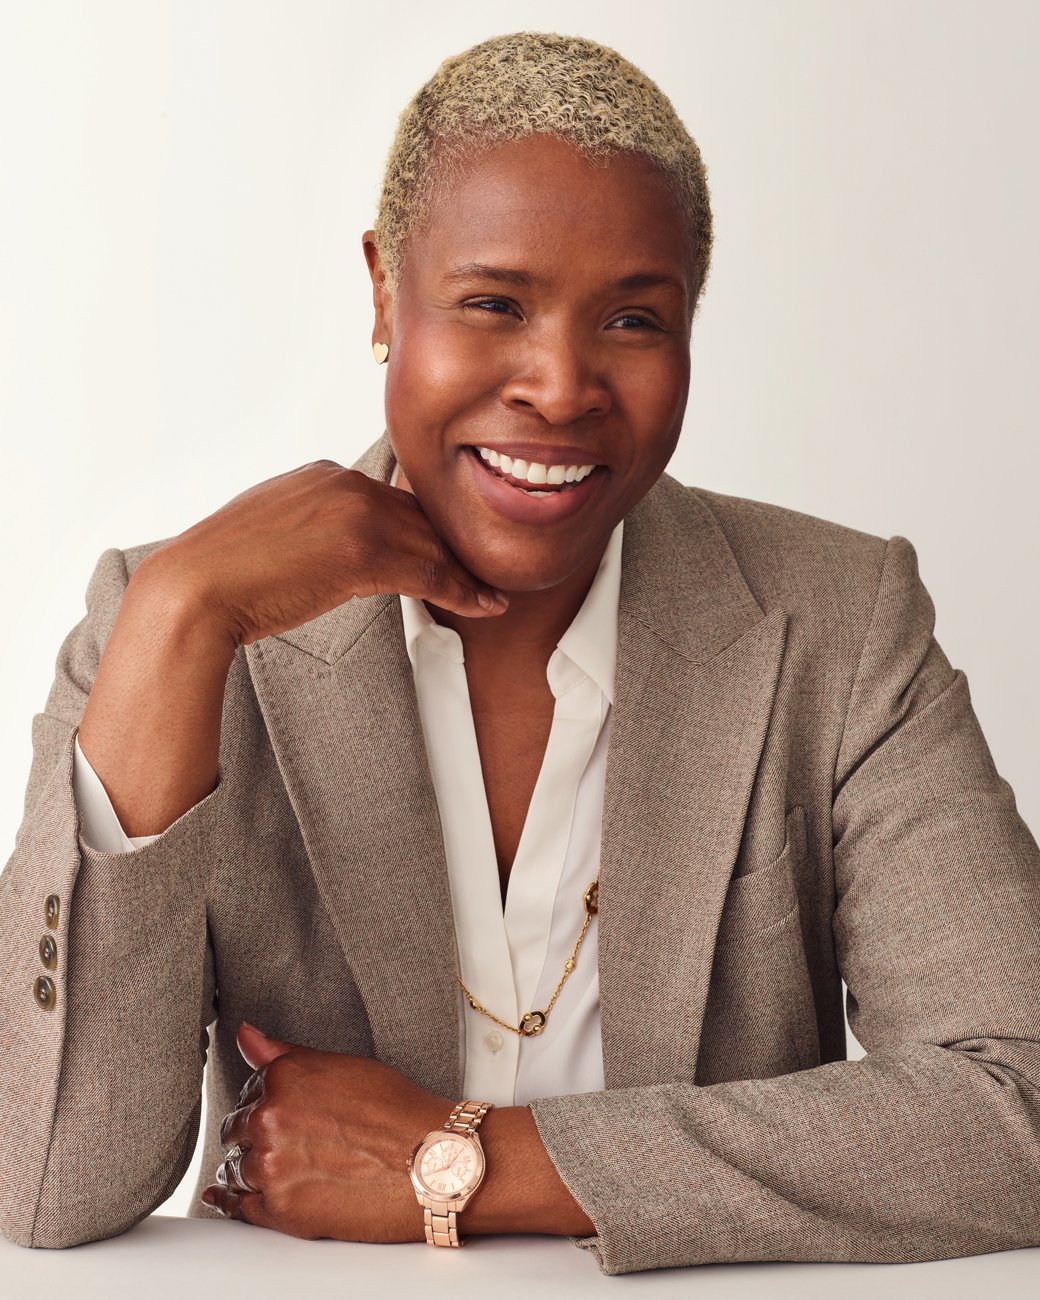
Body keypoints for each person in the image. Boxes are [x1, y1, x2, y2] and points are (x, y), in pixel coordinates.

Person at [1, 29, 1038, 1278]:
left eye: (632, 319)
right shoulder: (176, 625)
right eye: (494, 303)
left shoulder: (836, 622)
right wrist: (177, 617)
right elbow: (49, 1181)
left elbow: (1015, 1107)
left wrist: (468, 1160)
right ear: (385, 293)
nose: (558, 384)